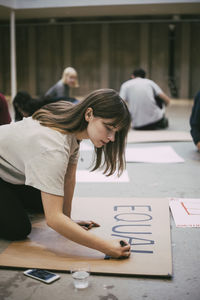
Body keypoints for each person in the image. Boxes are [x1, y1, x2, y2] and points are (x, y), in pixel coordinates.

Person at [0, 89, 131, 259]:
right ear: (89, 114)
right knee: (18, 228)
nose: (112, 138)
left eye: (116, 132)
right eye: (108, 128)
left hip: (8, 170)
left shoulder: (74, 125)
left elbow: (69, 178)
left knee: (50, 199)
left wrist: (68, 219)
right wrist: (106, 247)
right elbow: (53, 220)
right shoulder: (53, 147)